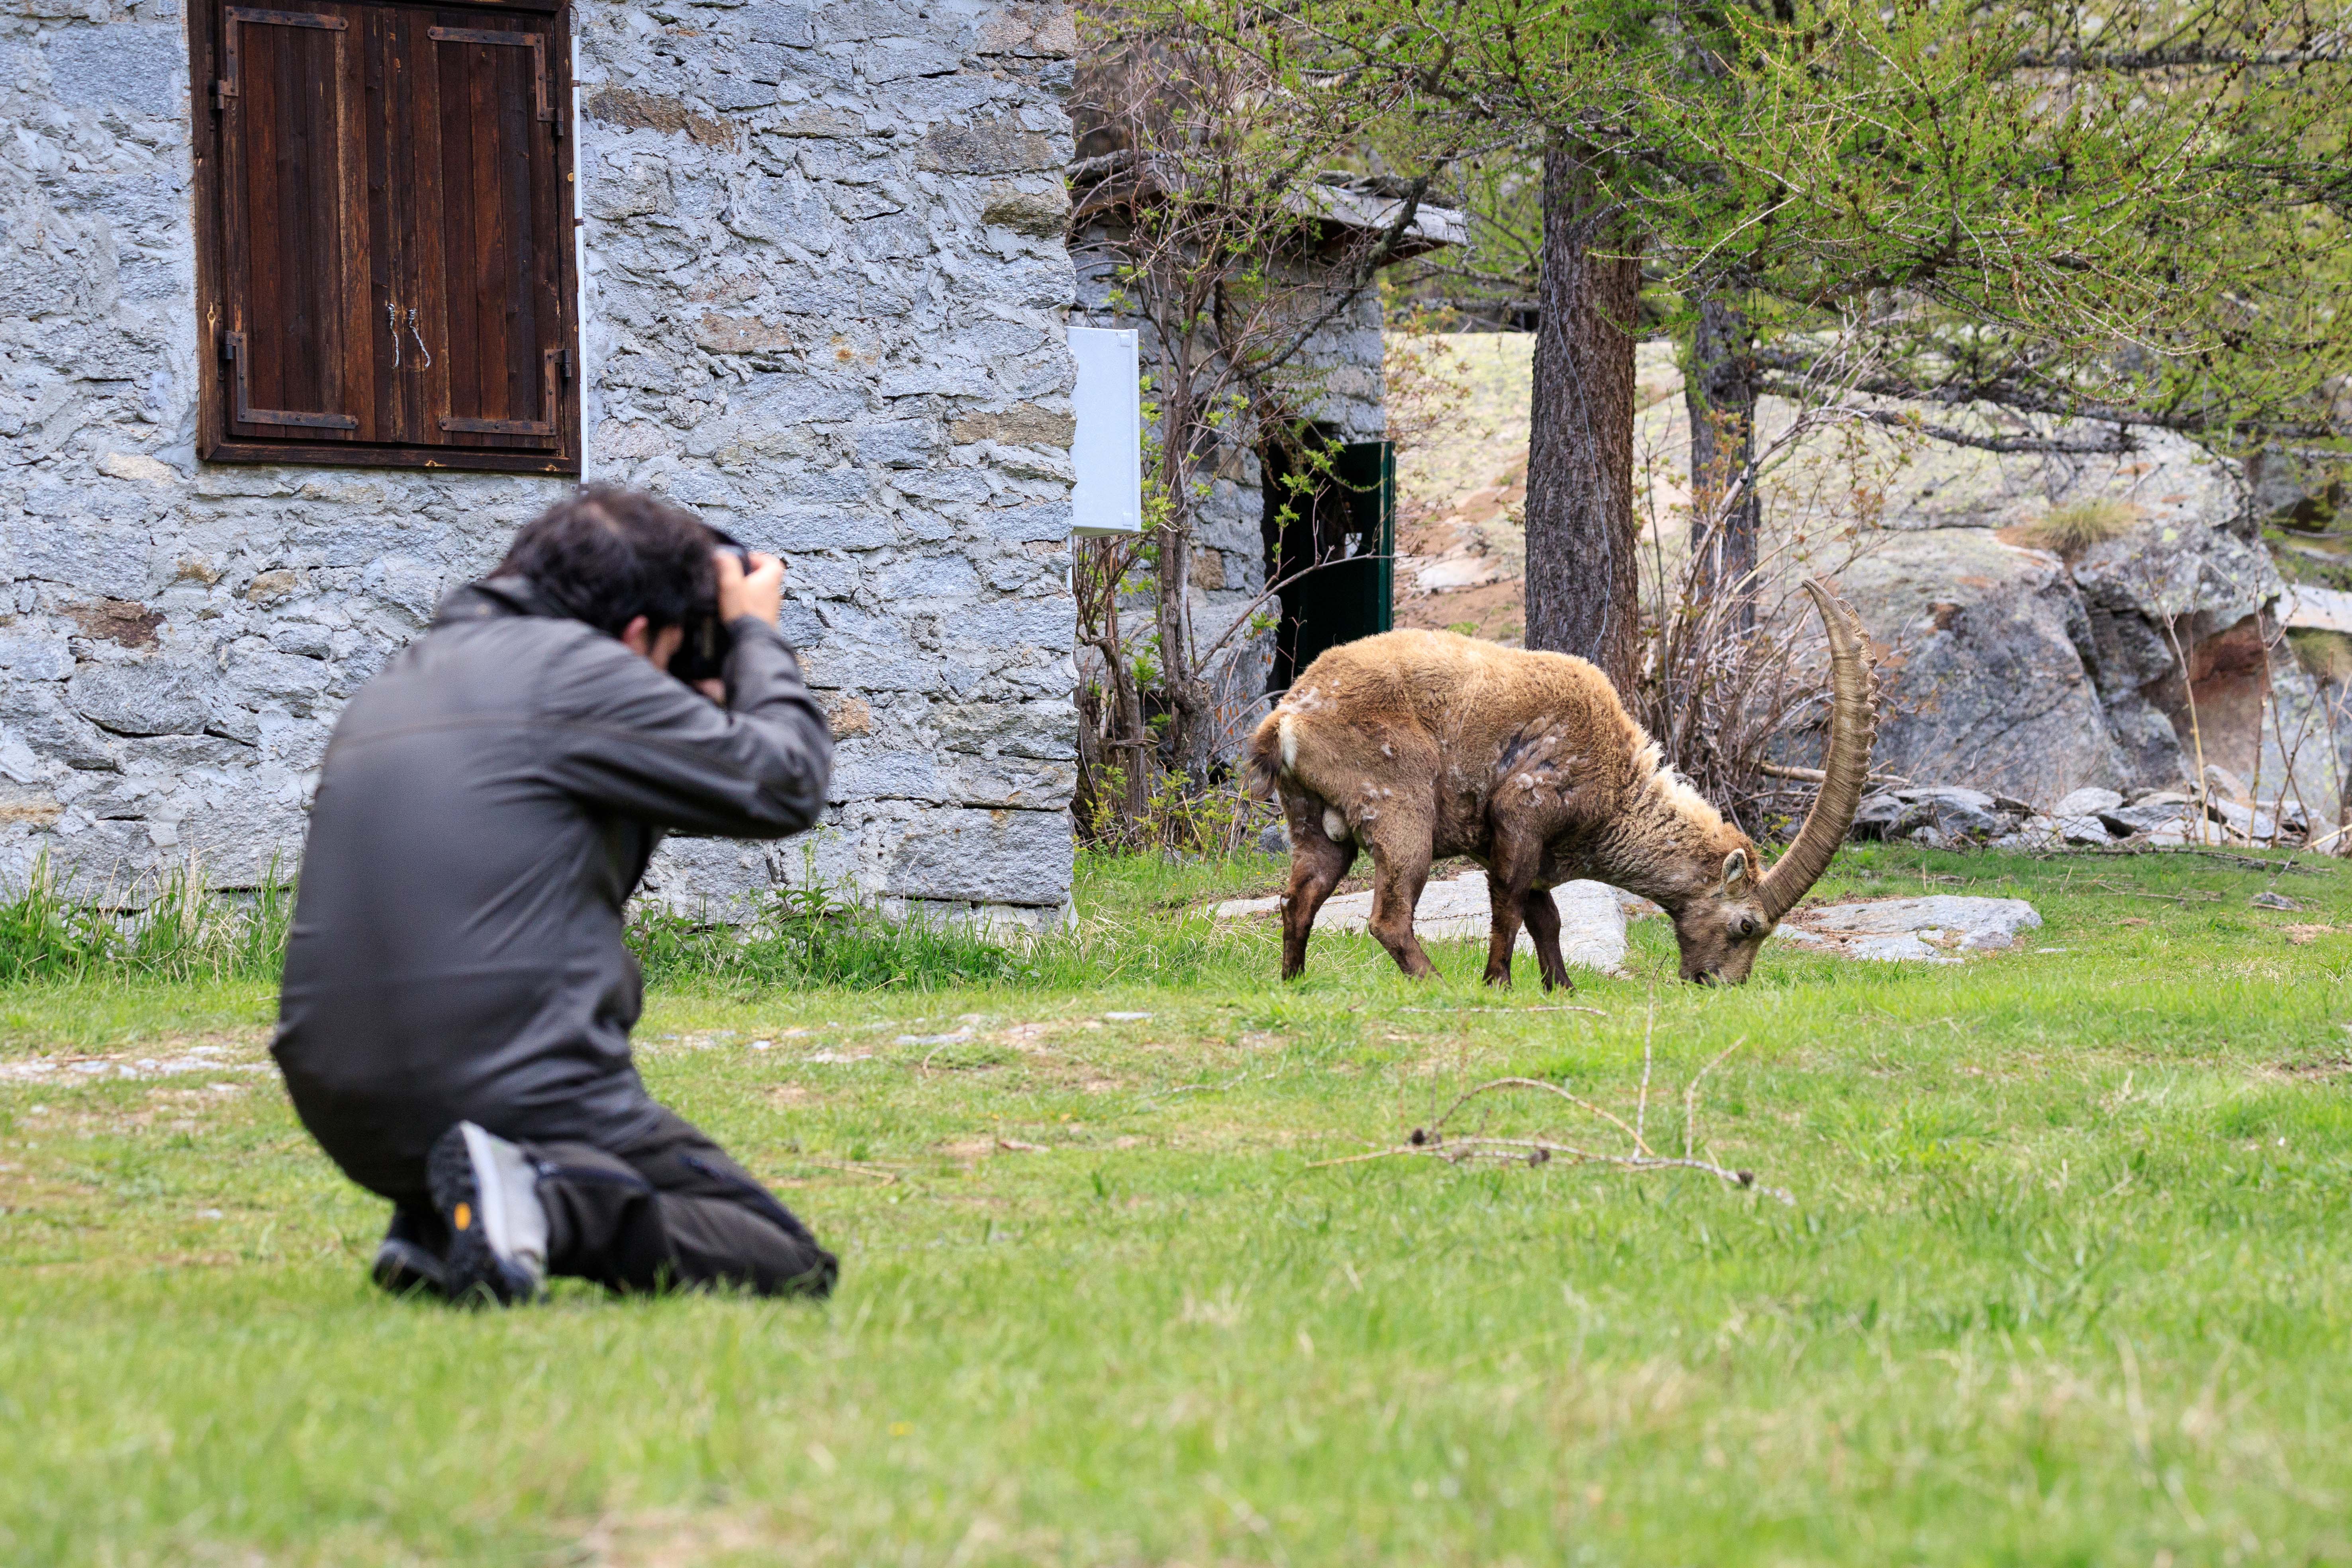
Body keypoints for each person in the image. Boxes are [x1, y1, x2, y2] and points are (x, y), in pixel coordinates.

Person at [272, 487, 838, 1304]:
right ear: (639, 633)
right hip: (508, 1093)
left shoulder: (408, 676)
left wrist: (681, 716)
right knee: (782, 1255)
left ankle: (443, 1221)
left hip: (346, 1110)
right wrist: (753, 632)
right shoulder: (579, 673)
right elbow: (786, 781)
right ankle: (535, 1197)